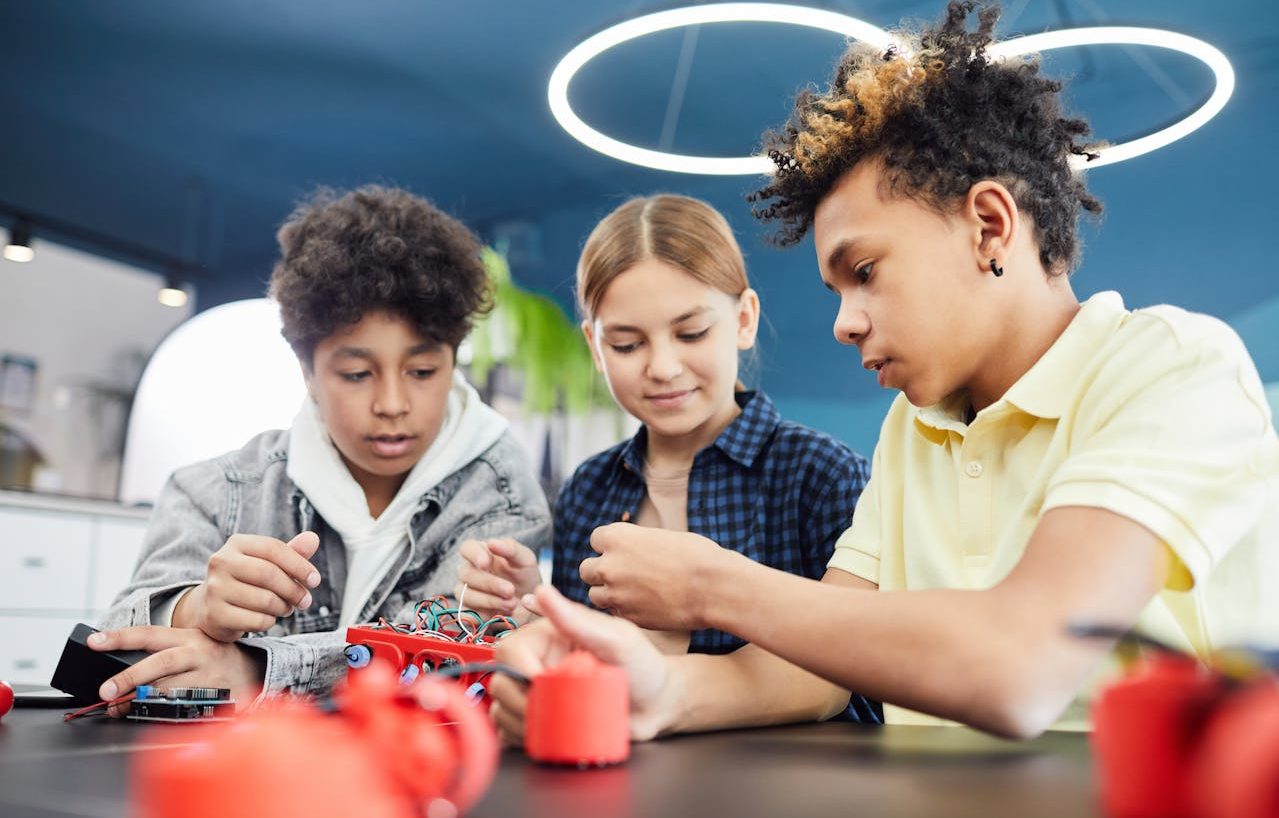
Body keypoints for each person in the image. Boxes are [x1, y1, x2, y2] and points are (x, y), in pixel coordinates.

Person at [488, 1, 1279, 742]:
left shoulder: (1172, 366)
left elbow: (1021, 665)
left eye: (863, 271)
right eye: (836, 290)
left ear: (989, 226)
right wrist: (659, 693)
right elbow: (810, 670)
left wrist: (711, 586)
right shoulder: (915, 426)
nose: (842, 321)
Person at [92, 186, 551, 708]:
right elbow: (113, 644)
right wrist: (193, 609)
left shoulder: (500, 495)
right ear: (307, 371)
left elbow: (435, 665)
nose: (393, 403)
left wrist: (255, 668)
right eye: (357, 373)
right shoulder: (216, 492)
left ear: (453, 361)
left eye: (423, 371)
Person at [458, 194, 880, 723]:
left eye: (691, 333)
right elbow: (586, 671)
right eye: (628, 344)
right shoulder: (589, 488)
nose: (662, 366)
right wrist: (534, 606)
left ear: (744, 318)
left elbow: (858, 675)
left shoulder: (823, 474)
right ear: (594, 347)